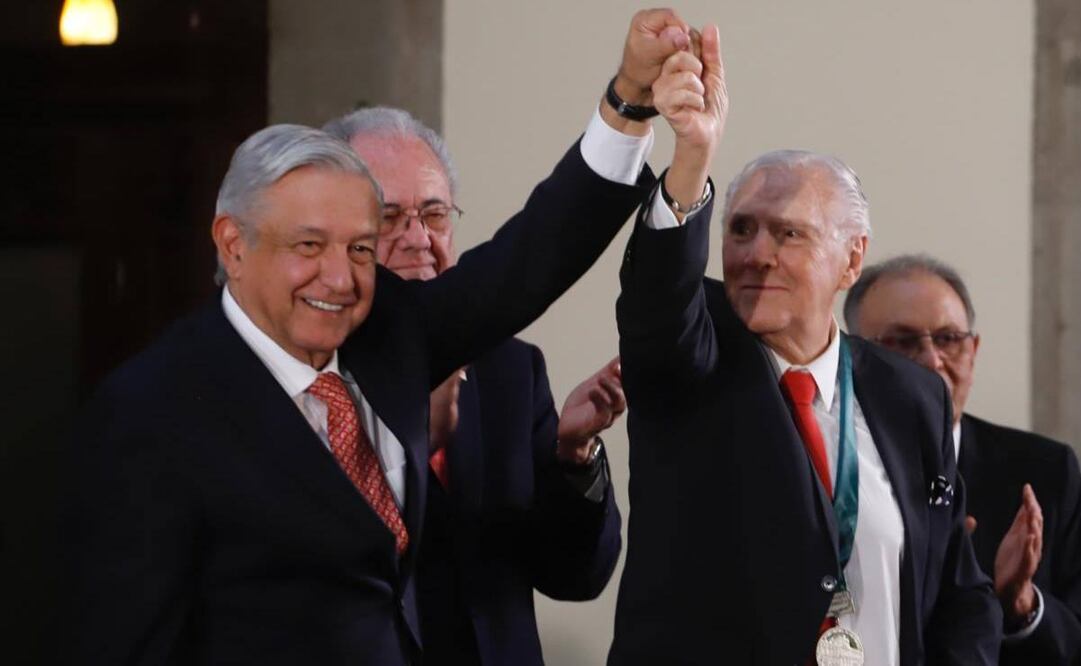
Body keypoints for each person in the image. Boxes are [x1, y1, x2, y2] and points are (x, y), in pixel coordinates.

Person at [62, 9, 701, 664]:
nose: (339, 277)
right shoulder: (151, 409)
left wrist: (627, 101)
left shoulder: (390, 331)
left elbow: (532, 255)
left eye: (360, 248)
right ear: (234, 245)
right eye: (308, 246)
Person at [609, 27, 1001, 662]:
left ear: (852, 259)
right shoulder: (692, 350)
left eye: (789, 234)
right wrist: (693, 155)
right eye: (741, 230)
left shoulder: (909, 395)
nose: (757, 255)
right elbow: (657, 295)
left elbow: (960, 592)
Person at [322, 106, 625, 665]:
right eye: (388, 218)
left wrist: (573, 457)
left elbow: (576, 576)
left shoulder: (510, 370)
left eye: (434, 215)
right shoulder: (311, 375)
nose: (418, 239)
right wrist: (414, 439)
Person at [844, 253, 1081, 664]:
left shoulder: (1045, 471)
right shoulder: (825, 460)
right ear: (853, 353)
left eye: (949, 339)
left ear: (974, 349)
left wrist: (1020, 603)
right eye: (902, 341)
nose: (933, 360)